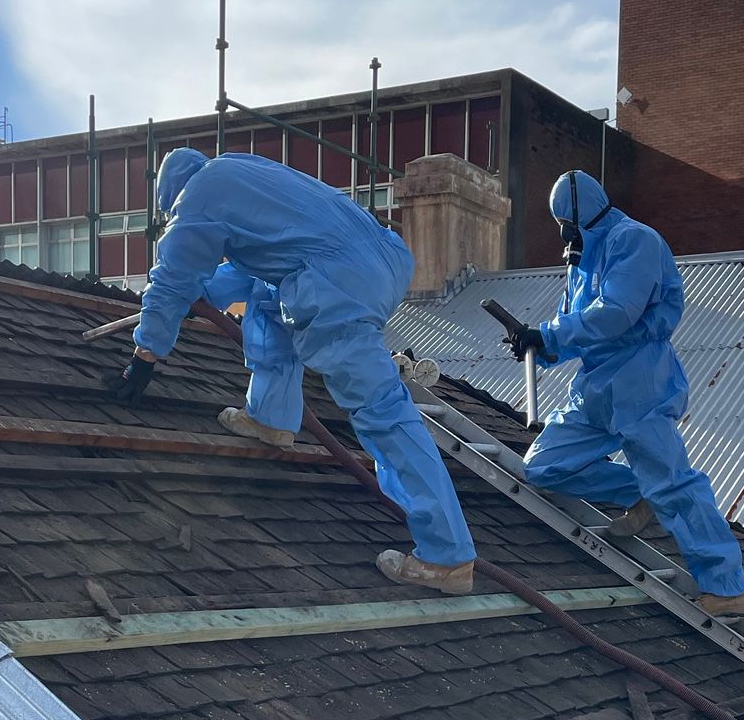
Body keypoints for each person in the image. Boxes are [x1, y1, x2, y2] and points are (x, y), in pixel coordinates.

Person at [106, 148, 475, 593]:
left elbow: (172, 278)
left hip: (337, 279)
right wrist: (198, 294)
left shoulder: (197, 196)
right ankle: (271, 418)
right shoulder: (240, 173)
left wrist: (145, 356)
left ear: (172, 196)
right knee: (270, 299)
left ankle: (446, 555)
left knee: (381, 411)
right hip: (379, 258)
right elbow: (254, 266)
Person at [506, 169, 744, 616]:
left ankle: (726, 586)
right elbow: (574, 324)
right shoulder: (579, 261)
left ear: (576, 218)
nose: (565, 234)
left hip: (641, 380)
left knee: (673, 482)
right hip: (596, 387)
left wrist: (549, 335)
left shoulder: (635, 240)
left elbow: (616, 313)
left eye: (566, 224)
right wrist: (536, 346)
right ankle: (637, 492)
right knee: (543, 467)